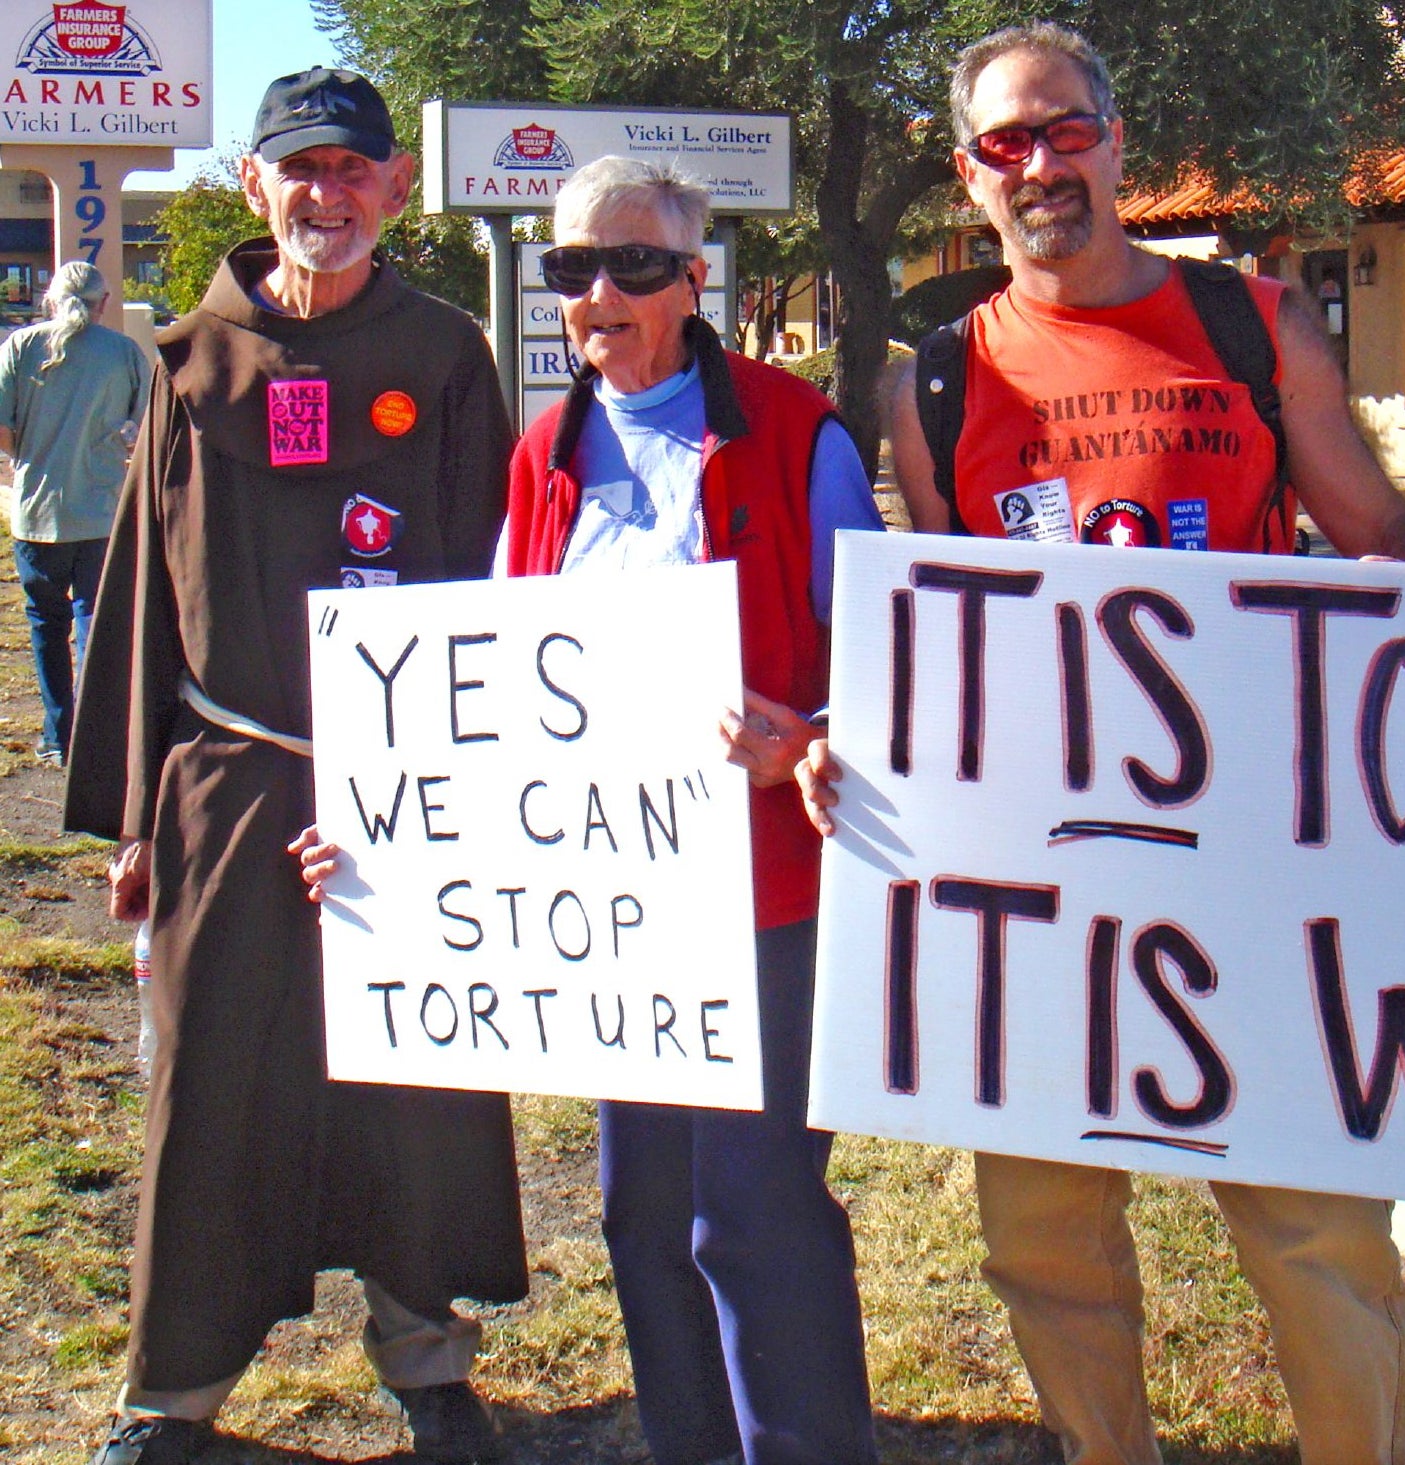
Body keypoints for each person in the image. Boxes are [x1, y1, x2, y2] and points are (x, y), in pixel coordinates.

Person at [798, 22, 1405, 1465]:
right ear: (967, 172)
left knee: (1315, 1231)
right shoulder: (933, 382)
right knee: (1041, 1233)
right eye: (1005, 142)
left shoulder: (1254, 325)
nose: (1040, 165)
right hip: (1043, 876)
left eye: (1064, 130)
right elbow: (943, 640)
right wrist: (853, 737)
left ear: (1115, 142)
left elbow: (1372, 537)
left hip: (1254, 854)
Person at [304, 153, 884, 1465]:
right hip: (623, 908)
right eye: (573, 270)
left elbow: (893, 673)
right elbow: (501, 680)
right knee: (641, 1211)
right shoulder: (543, 450)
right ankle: (688, 1441)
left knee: (751, 1208)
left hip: (768, 892)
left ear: (691, 280)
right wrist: (385, 825)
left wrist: (809, 739)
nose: (600, 294)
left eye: (632, 267)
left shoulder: (801, 436)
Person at [65, 68, 526, 1465]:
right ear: (254, 186)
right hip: (230, 774)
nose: (326, 196)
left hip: (406, 784)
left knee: (417, 1078)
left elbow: (491, 587)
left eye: (353, 171)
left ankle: (427, 1359)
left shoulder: (445, 353)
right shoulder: (184, 359)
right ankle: (175, 1391)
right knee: (207, 1079)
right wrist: (134, 815)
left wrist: (482, 791)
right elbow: (146, 586)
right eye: (299, 171)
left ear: (393, 189)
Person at [0, 261, 147, 764]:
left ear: (50, 298)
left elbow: (2, 430)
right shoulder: (125, 353)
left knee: (45, 623)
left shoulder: (20, 348)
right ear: (104, 303)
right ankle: (97, 737)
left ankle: (57, 736)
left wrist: (27, 454)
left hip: (36, 512)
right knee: (95, 620)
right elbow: (143, 429)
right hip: (102, 511)